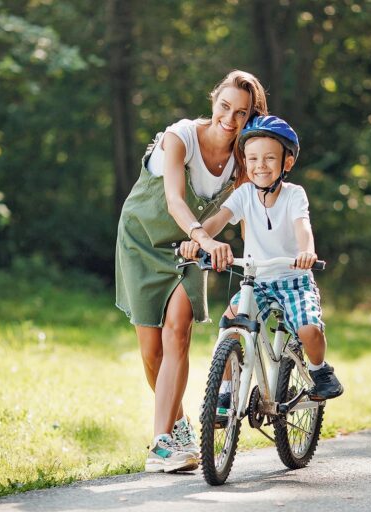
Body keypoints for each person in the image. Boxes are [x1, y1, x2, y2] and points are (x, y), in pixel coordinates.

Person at [115, 70, 268, 473]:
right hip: (142, 240)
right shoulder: (178, 137)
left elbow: (244, 210)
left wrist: (255, 260)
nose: (230, 119)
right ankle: (179, 426)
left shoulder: (243, 160)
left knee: (178, 333)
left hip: (189, 249)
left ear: (251, 117)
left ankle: (161, 443)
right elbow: (173, 201)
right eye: (225, 107)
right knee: (151, 352)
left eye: (241, 113)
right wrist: (204, 237)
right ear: (214, 99)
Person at [179, 115, 344, 403]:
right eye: (253, 159)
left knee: (309, 329)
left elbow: (302, 226)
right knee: (231, 325)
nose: (260, 166)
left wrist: (307, 252)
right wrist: (197, 239)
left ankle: (319, 370)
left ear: (286, 163)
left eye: (269, 158)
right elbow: (217, 221)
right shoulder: (243, 194)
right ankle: (228, 393)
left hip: (293, 279)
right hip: (256, 281)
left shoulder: (294, 195)